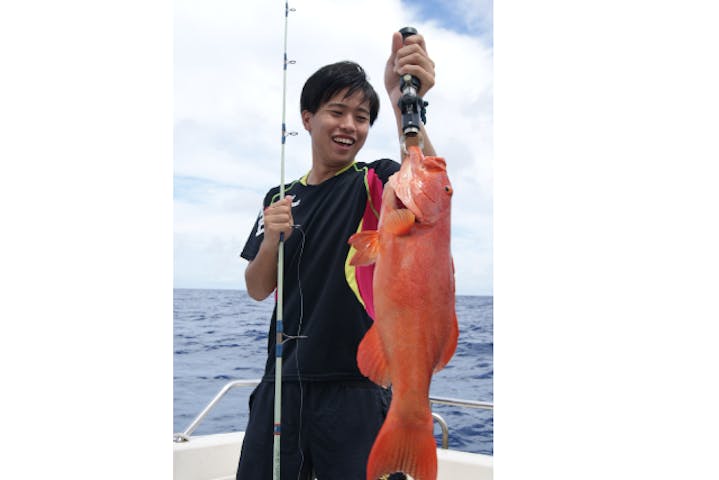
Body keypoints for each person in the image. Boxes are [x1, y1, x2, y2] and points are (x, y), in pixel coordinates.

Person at [236, 30, 437, 480]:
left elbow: (430, 185)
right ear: (308, 118)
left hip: (357, 388)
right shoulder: (279, 197)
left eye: (362, 117)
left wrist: (404, 103)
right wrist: (272, 238)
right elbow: (256, 287)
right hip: (281, 387)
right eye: (337, 112)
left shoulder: (379, 180)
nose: (350, 125)